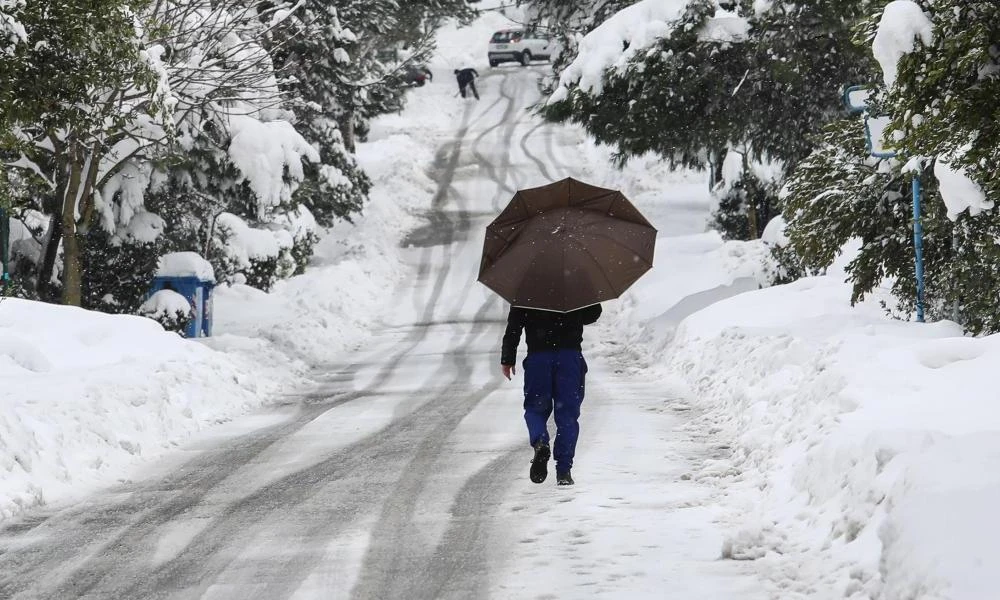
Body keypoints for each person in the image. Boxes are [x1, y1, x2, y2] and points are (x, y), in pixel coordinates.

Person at [501, 303, 602, 486]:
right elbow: (593, 313)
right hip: (569, 357)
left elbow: (514, 325)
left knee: (535, 409)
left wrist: (508, 357)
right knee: (568, 416)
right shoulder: (577, 280)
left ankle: (541, 442)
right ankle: (564, 470)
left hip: (538, 356)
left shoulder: (525, 286)